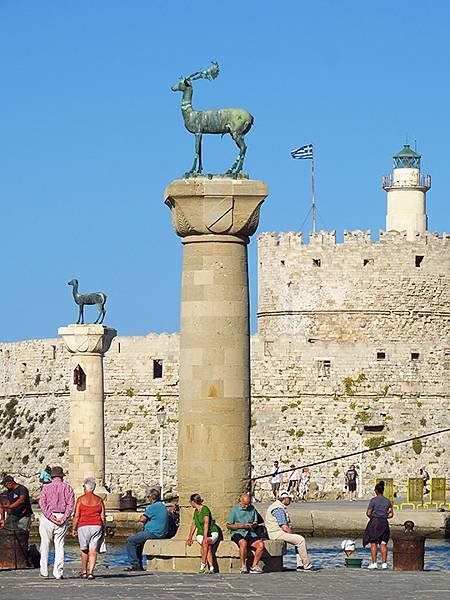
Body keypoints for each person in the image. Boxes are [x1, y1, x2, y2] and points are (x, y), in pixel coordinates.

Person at [38, 466, 75, 579]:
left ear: (52, 477)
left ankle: (44, 571)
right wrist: (63, 518)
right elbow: (70, 505)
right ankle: (58, 572)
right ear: (62, 477)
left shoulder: (46, 488)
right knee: (59, 546)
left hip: (48, 518)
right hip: (61, 517)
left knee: (45, 545)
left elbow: (42, 504)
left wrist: (50, 516)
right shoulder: (68, 488)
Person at [265, 491, 312, 571]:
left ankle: (300, 565)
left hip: (276, 532)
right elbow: (284, 527)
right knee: (300, 540)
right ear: (284, 499)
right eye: (289, 499)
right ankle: (306, 565)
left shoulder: (277, 506)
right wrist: (292, 534)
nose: (290, 500)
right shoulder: (278, 509)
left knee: (297, 540)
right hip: (276, 533)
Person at [125, 488, 168, 571]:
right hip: (160, 532)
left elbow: (142, 519)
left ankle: (134, 564)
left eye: (148, 497)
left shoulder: (153, 507)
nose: (148, 498)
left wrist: (140, 517)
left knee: (130, 540)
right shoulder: (162, 505)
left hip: (154, 533)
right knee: (138, 543)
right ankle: (139, 565)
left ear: (151, 498)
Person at [71, 477, 106, 580]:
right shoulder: (99, 500)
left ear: (85, 488)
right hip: (97, 526)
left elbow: (76, 515)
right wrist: (103, 528)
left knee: (84, 549)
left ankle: (84, 571)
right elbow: (103, 516)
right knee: (93, 550)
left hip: (83, 526)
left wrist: (73, 528)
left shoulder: (80, 499)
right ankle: (91, 572)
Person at [227, 492, 265, 574]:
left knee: (261, 545)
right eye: (245, 505)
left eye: (248, 504)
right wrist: (241, 526)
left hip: (250, 532)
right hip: (237, 532)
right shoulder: (234, 510)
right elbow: (229, 526)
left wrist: (253, 525)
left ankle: (254, 566)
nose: (246, 506)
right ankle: (243, 566)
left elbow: (256, 522)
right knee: (243, 543)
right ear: (240, 501)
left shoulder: (252, 509)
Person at [363, 482, 394, 569]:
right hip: (384, 523)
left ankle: (374, 563)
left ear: (376, 491)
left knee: (374, 544)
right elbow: (391, 515)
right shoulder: (388, 501)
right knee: (383, 544)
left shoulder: (373, 500)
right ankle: (384, 564)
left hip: (375, 523)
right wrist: (383, 516)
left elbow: (368, 513)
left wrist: (373, 517)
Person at [186, 493, 219, 573]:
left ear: (193, 502)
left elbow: (206, 522)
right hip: (200, 533)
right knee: (207, 546)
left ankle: (203, 565)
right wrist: (190, 537)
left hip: (212, 532)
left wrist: (205, 536)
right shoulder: (195, 512)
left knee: (206, 542)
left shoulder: (205, 509)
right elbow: (193, 524)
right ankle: (211, 567)